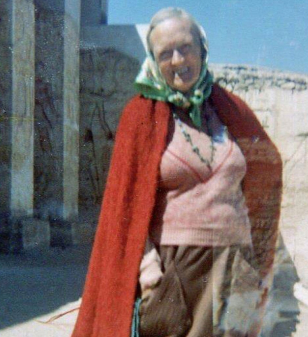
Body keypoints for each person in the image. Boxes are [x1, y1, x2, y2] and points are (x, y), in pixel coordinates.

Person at [72, 7, 282, 337]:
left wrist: (256, 256)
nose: (177, 60)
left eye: (185, 47)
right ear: (154, 61)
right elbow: (124, 205)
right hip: (178, 269)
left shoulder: (232, 110)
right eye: (165, 53)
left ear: (202, 48)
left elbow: (267, 169)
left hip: (235, 266)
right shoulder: (140, 115)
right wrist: (148, 269)